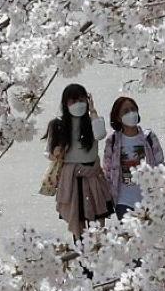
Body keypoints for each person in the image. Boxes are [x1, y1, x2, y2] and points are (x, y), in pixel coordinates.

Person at [44, 83, 114, 240]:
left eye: (82, 100)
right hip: (72, 178)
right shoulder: (58, 125)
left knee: (98, 218)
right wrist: (57, 151)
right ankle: (82, 255)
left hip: (93, 175)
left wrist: (93, 112)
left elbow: (100, 134)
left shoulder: (93, 121)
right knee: (78, 218)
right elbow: (49, 152)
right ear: (65, 104)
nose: (78, 105)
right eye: (73, 101)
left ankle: (97, 251)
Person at [103, 96, 165, 219]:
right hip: (123, 200)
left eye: (133, 109)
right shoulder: (113, 141)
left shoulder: (149, 137)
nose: (131, 113)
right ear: (118, 117)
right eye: (125, 111)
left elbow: (160, 165)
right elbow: (108, 171)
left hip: (149, 199)